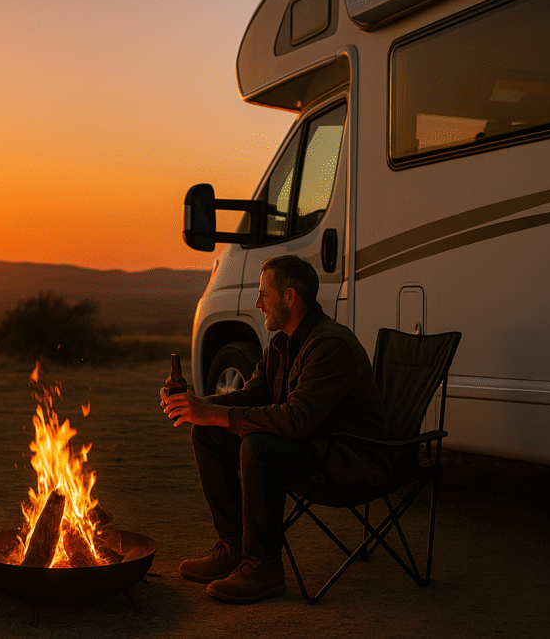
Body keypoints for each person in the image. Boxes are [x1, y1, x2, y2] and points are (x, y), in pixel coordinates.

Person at [161, 255, 391, 604]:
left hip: (349, 458)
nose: (258, 303)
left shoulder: (330, 345)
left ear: (290, 297)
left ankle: (264, 567)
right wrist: (197, 406)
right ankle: (233, 548)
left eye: (263, 295)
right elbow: (253, 395)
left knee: (258, 447)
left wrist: (215, 413)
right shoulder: (283, 343)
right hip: (316, 447)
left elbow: (297, 420)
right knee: (207, 432)